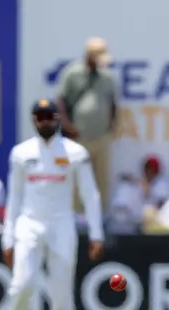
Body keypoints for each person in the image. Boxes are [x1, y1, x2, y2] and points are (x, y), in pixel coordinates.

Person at [0, 98, 104, 310]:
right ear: (33, 120)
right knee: (22, 284)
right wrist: (7, 238)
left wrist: (96, 233)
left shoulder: (74, 152)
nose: (45, 121)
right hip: (29, 224)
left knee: (61, 293)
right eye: (40, 116)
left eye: (49, 116)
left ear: (57, 118)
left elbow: (89, 194)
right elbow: (15, 198)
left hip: (62, 225)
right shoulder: (21, 153)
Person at [56, 37, 118, 211]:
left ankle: (100, 217)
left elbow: (113, 103)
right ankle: (75, 216)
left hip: (101, 137)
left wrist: (111, 126)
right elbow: (61, 101)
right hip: (78, 137)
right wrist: (67, 125)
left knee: (101, 180)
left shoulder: (107, 77)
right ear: (89, 56)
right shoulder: (72, 73)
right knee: (76, 179)